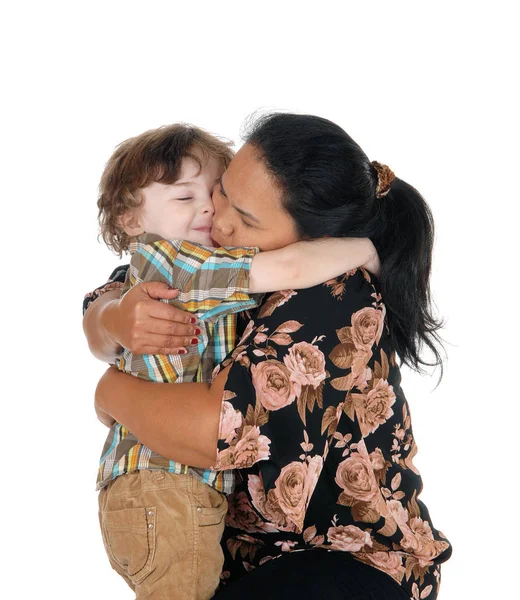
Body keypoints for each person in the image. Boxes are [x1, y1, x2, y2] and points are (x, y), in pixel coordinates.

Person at [85, 113, 452, 600]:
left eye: (248, 218)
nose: (220, 218)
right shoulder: (217, 258)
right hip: (240, 556)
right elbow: (118, 287)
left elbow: (212, 431)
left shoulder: (334, 292)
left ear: (313, 239)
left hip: (341, 560)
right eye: (224, 192)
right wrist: (111, 320)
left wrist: (110, 389)